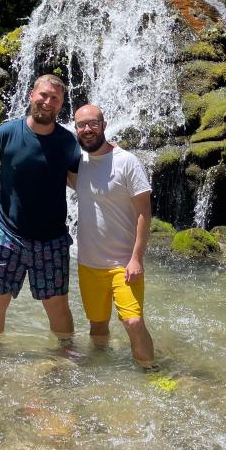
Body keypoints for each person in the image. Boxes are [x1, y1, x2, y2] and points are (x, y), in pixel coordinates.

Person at [0, 74, 82, 346]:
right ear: (31, 95)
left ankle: (66, 352)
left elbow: (80, 185)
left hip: (52, 239)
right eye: (43, 95)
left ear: (61, 103)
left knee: (58, 305)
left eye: (54, 98)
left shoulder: (67, 142)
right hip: (8, 235)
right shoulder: (7, 133)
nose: (47, 102)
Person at [71, 103, 156, 369]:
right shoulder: (77, 163)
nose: (87, 129)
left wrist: (137, 258)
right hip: (88, 264)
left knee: (132, 321)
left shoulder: (127, 162)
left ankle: (151, 371)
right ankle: (100, 365)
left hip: (123, 264)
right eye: (81, 125)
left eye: (93, 124)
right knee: (97, 324)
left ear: (104, 126)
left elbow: (144, 213)